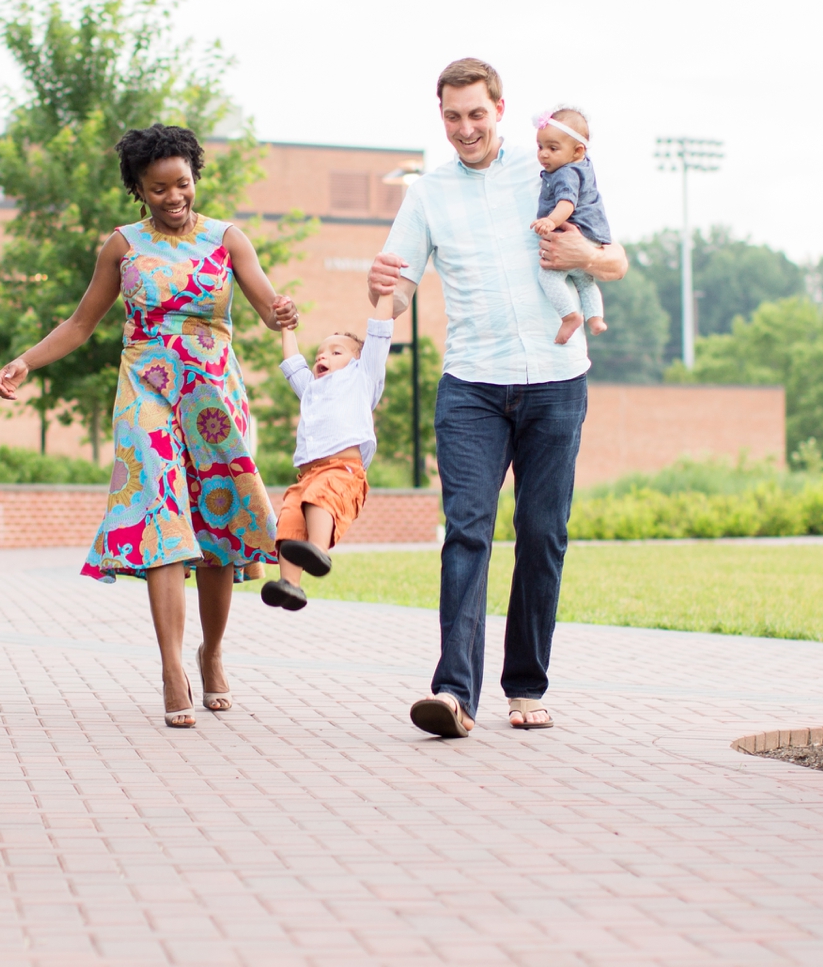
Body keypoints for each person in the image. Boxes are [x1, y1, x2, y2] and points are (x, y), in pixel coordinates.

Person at [0, 124, 298, 729]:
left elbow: (267, 307)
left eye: (181, 183)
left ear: (194, 178)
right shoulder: (122, 247)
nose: (173, 196)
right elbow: (81, 324)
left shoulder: (227, 239)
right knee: (158, 514)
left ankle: (211, 654)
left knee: (215, 519)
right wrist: (26, 359)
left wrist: (281, 311)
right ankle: (170, 667)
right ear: (138, 188)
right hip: (145, 392)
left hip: (211, 395)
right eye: (158, 188)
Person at [368, 59, 628, 737]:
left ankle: (525, 686)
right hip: (472, 388)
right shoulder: (427, 194)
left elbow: (616, 259)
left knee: (542, 535)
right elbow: (398, 289)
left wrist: (586, 261)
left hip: (557, 379)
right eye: (452, 117)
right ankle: (454, 694)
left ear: (501, 109)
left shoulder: (548, 172)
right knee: (468, 531)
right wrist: (381, 289)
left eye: (476, 114)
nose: (465, 128)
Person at [260, 288, 398, 611]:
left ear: (358, 361)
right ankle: (290, 584)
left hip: (343, 471)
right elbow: (293, 362)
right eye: (321, 353)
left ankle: (318, 550)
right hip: (307, 475)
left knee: (319, 497)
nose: (323, 357)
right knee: (290, 517)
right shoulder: (311, 389)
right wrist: (286, 326)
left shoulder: (363, 378)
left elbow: (378, 336)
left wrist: (386, 295)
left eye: (337, 352)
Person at [529, 106, 612, 346]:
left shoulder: (565, 173)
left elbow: (567, 203)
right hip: (592, 236)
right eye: (540, 147)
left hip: (572, 236)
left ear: (577, 151)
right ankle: (596, 319)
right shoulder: (583, 165)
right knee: (585, 282)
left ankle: (570, 316)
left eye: (553, 148)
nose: (544, 155)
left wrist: (550, 220)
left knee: (548, 276)